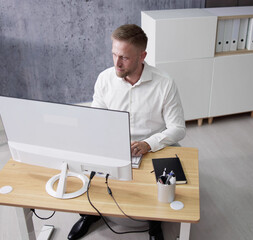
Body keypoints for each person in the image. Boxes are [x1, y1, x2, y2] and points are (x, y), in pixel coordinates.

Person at [67, 24, 186, 240]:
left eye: (124, 57)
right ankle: (90, 214)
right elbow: (96, 118)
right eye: (114, 54)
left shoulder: (164, 83)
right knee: (82, 169)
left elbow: (178, 128)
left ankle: (154, 223)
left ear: (143, 56)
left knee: (164, 184)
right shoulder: (105, 78)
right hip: (113, 144)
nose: (117, 63)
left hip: (153, 148)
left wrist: (148, 144)